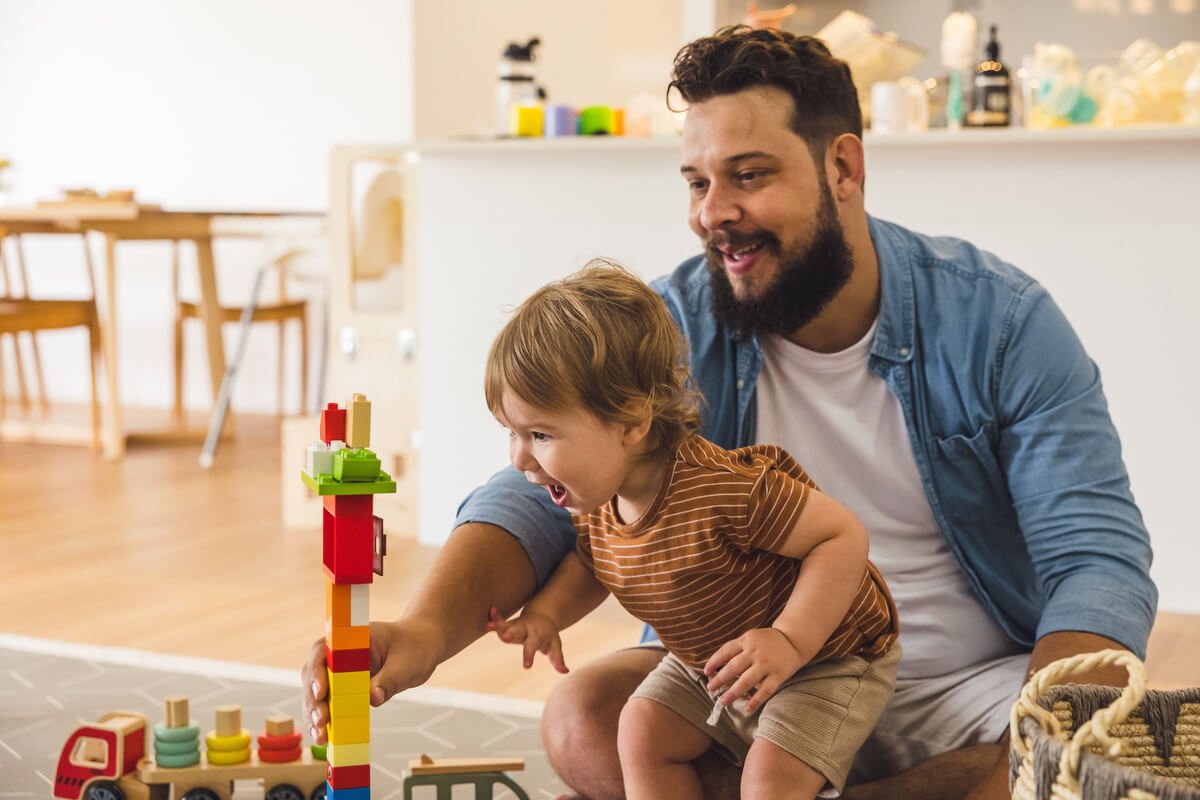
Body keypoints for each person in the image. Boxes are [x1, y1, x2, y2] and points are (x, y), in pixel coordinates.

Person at [303, 26, 1156, 800]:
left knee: (1091, 733)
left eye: (749, 176)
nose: (713, 213)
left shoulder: (1001, 321)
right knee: (585, 718)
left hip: (970, 690)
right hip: (753, 678)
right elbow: (536, 496)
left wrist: (1043, 732)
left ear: (844, 169)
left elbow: (1097, 561)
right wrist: (423, 631)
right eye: (698, 181)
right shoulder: (669, 322)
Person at [482, 263, 900, 799]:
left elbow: (841, 535)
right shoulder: (598, 502)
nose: (519, 458)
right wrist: (546, 615)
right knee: (640, 731)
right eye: (511, 433)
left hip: (827, 657)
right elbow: (594, 564)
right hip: (714, 658)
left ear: (632, 422)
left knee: (770, 779)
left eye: (539, 434)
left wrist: (790, 640)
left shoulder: (723, 490)